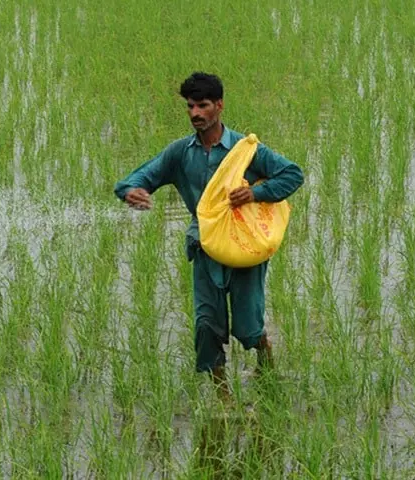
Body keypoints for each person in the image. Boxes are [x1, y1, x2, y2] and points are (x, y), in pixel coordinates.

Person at [114, 72, 304, 401]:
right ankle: (223, 398)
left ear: (219, 106)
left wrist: (256, 195)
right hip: (204, 246)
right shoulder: (180, 153)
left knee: (248, 325)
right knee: (206, 324)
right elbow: (142, 176)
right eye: (189, 107)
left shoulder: (246, 151)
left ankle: (266, 364)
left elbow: (293, 174)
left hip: (244, 247)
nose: (194, 114)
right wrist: (133, 190)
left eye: (202, 106)